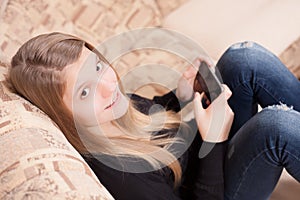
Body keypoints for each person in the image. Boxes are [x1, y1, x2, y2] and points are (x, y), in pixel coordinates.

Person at [7, 32, 300, 200]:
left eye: (97, 67)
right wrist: (214, 140)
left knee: (243, 59)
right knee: (274, 128)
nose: (109, 86)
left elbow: (154, 119)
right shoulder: (122, 177)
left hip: (208, 154)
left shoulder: (112, 109)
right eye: (85, 92)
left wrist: (180, 95)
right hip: (215, 189)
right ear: (62, 114)